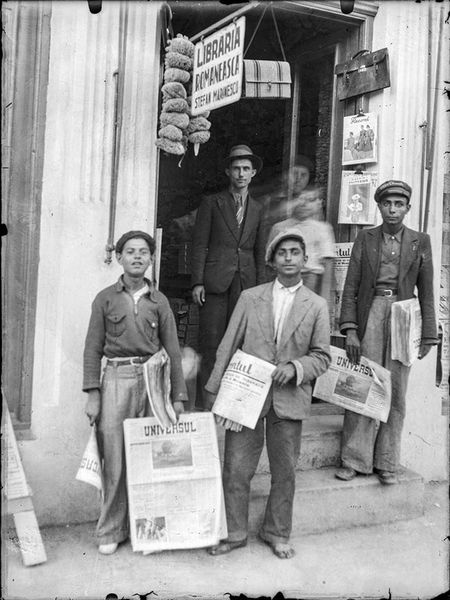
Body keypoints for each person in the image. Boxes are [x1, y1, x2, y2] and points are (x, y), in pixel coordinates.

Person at [204, 228, 331, 559]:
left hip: (289, 399)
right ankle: (234, 533)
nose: (288, 258)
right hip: (245, 397)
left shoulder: (317, 305)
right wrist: (214, 390)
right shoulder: (250, 298)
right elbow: (228, 345)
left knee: (284, 471)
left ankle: (276, 532)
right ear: (272, 261)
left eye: (295, 252)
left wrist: (297, 367)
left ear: (305, 260)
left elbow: (322, 356)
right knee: (236, 467)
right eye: (282, 253)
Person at [83, 230, 188, 554]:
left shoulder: (160, 301)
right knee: (114, 456)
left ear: (151, 259)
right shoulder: (105, 298)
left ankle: (147, 530)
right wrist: (93, 393)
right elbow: (92, 349)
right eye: (130, 251)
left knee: (150, 456)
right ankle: (111, 531)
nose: (137, 257)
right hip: (117, 378)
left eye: (144, 252)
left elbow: (173, 350)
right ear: (119, 257)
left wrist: (178, 397)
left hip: (153, 378)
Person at [336, 181, 438, 485]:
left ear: (407, 208)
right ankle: (354, 459)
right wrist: (350, 329)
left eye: (399, 204)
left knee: (396, 389)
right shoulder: (365, 239)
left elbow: (427, 292)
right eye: (387, 204)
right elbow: (351, 287)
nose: (392, 209)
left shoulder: (421, 241)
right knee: (362, 383)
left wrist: (428, 334)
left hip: (404, 316)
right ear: (379, 206)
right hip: (371, 311)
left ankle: (387, 461)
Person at [190, 144, 266, 409]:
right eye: (236, 168)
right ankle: (206, 403)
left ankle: (231, 404)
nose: (241, 174)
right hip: (214, 282)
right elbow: (199, 244)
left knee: (241, 342)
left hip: (245, 283)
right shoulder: (212, 203)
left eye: (246, 169)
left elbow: (259, 251)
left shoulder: (258, 208)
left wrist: (260, 290)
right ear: (227, 172)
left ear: (253, 173)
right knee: (211, 342)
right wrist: (197, 281)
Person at [267, 184, 335, 305]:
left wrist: (325, 299)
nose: (304, 204)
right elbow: (269, 263)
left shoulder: (322, 229)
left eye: (310, 200)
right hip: (283, 278)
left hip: (311, 279)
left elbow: (328, 265)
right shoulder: (280, 228)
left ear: (318, 203)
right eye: (300, 199)